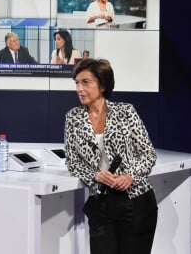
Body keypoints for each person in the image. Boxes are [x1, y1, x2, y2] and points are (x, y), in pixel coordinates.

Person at [64, 59, 158, 254]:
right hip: (102, 204)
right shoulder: (73, 117)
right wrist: (95, 175)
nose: (79, 89)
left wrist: (130, 175)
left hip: (136, 201)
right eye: (77, 83)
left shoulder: (126, 111)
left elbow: (148, 154)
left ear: (103, 85)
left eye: (86, 82)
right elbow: (72, 163)